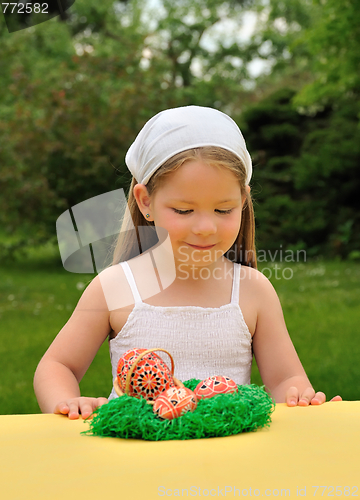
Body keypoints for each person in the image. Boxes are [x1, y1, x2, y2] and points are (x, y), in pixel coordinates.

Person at [33, 105, 342, 419]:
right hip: (133, 461)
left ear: (243, 200)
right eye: (183, 210)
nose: (206, 227)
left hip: (229, 461)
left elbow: (285, 379)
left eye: (224, 210)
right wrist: (68, 404)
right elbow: (57, 366)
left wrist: (298, 396)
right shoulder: (115, 286)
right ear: (146, 202)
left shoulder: (252, 291)